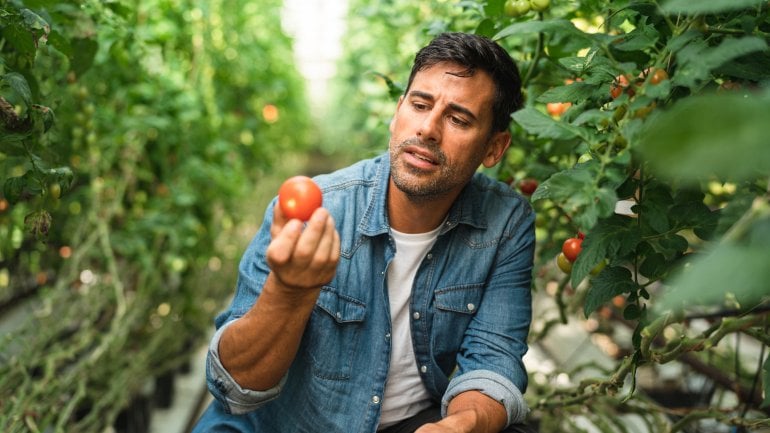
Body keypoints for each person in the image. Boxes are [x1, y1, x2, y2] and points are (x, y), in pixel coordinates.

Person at [193, 32, 536, 433]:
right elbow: (234, 388)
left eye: (458, 119)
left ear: (494, 149)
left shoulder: (505, 223)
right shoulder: (316, 209)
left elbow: (493, 359)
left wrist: (460, 424)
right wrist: (289, 292)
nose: (428, 129)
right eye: (419, 104)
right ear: (397, 112)